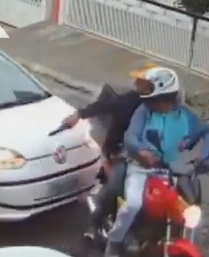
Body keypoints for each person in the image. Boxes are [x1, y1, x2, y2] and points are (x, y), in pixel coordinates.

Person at [104, 66, 209, 257]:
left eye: (149, 89)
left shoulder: (186, 114)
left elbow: (206, 129)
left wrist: (205, 158)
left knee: (192, 210)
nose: (144, 93)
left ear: (163, 93)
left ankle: (188, 242)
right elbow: (130, 136)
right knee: (132, 205)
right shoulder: (144, 111)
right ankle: (114, 241)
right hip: (141, 168)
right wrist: (141, 152)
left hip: (172, 171)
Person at [61, 64, 158, 240]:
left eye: (140, 80)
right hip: (123, 153)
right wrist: (79, 114)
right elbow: (105, 105)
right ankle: (94, 225)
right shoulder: (130, 101)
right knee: (114, 187)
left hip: (155, 157)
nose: (135, 82)